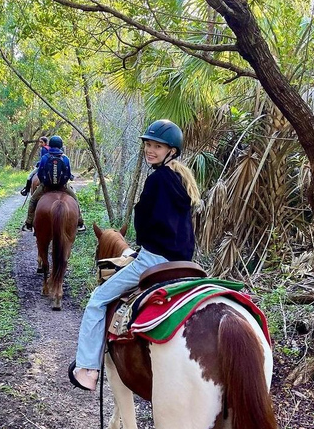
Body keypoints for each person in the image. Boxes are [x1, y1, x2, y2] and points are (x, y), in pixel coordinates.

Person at [67, 119, 201, 391]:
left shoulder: (156, 180)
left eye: (157, 146)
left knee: (98, 299)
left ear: (171, 151)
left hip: (155, 260)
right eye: (148, 144)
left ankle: (87, 369)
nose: (150, 150)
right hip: (186, 264)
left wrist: (145, 247)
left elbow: (148, 223)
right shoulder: (181, 180)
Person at [21, 135, 87, 233]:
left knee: (33, 200)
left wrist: (45, 182)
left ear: (50, 145)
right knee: (75, 200)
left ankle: (29, 224)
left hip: (46, 186)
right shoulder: (65, 158)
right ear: (61, 146)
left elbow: (40, 173)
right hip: (62, 187)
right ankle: (80, 223)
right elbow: (68, 174)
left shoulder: (44, 157)